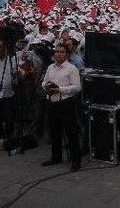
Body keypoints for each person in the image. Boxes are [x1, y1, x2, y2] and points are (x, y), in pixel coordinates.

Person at [40, 43, 82, 171]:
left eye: (62, 52)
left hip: (66, 103)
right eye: (57, 52)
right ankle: (56, 156)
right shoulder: (51, 67)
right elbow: (44, 81)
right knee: (54, 131)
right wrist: (46, 87)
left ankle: (75, 161)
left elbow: (77, 87)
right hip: (52, 102)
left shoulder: (71, 68)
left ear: (67, 54)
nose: (58, 54)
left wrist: (60, 89)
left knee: (71, 133)